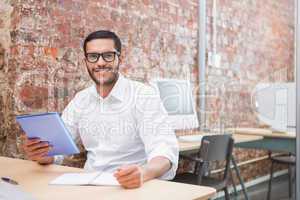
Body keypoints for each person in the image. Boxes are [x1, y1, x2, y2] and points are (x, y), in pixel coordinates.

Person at [21, 30, 179, 189]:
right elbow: (58, 149)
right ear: (86, 62)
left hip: (132, 188)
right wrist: (42, 154)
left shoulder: (144, 96)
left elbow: (164, 152)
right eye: (93, 56)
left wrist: (144, 173)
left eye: (108, 55)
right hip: (89, 187)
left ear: (119, 59)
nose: (100, 63)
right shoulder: (81, 100)